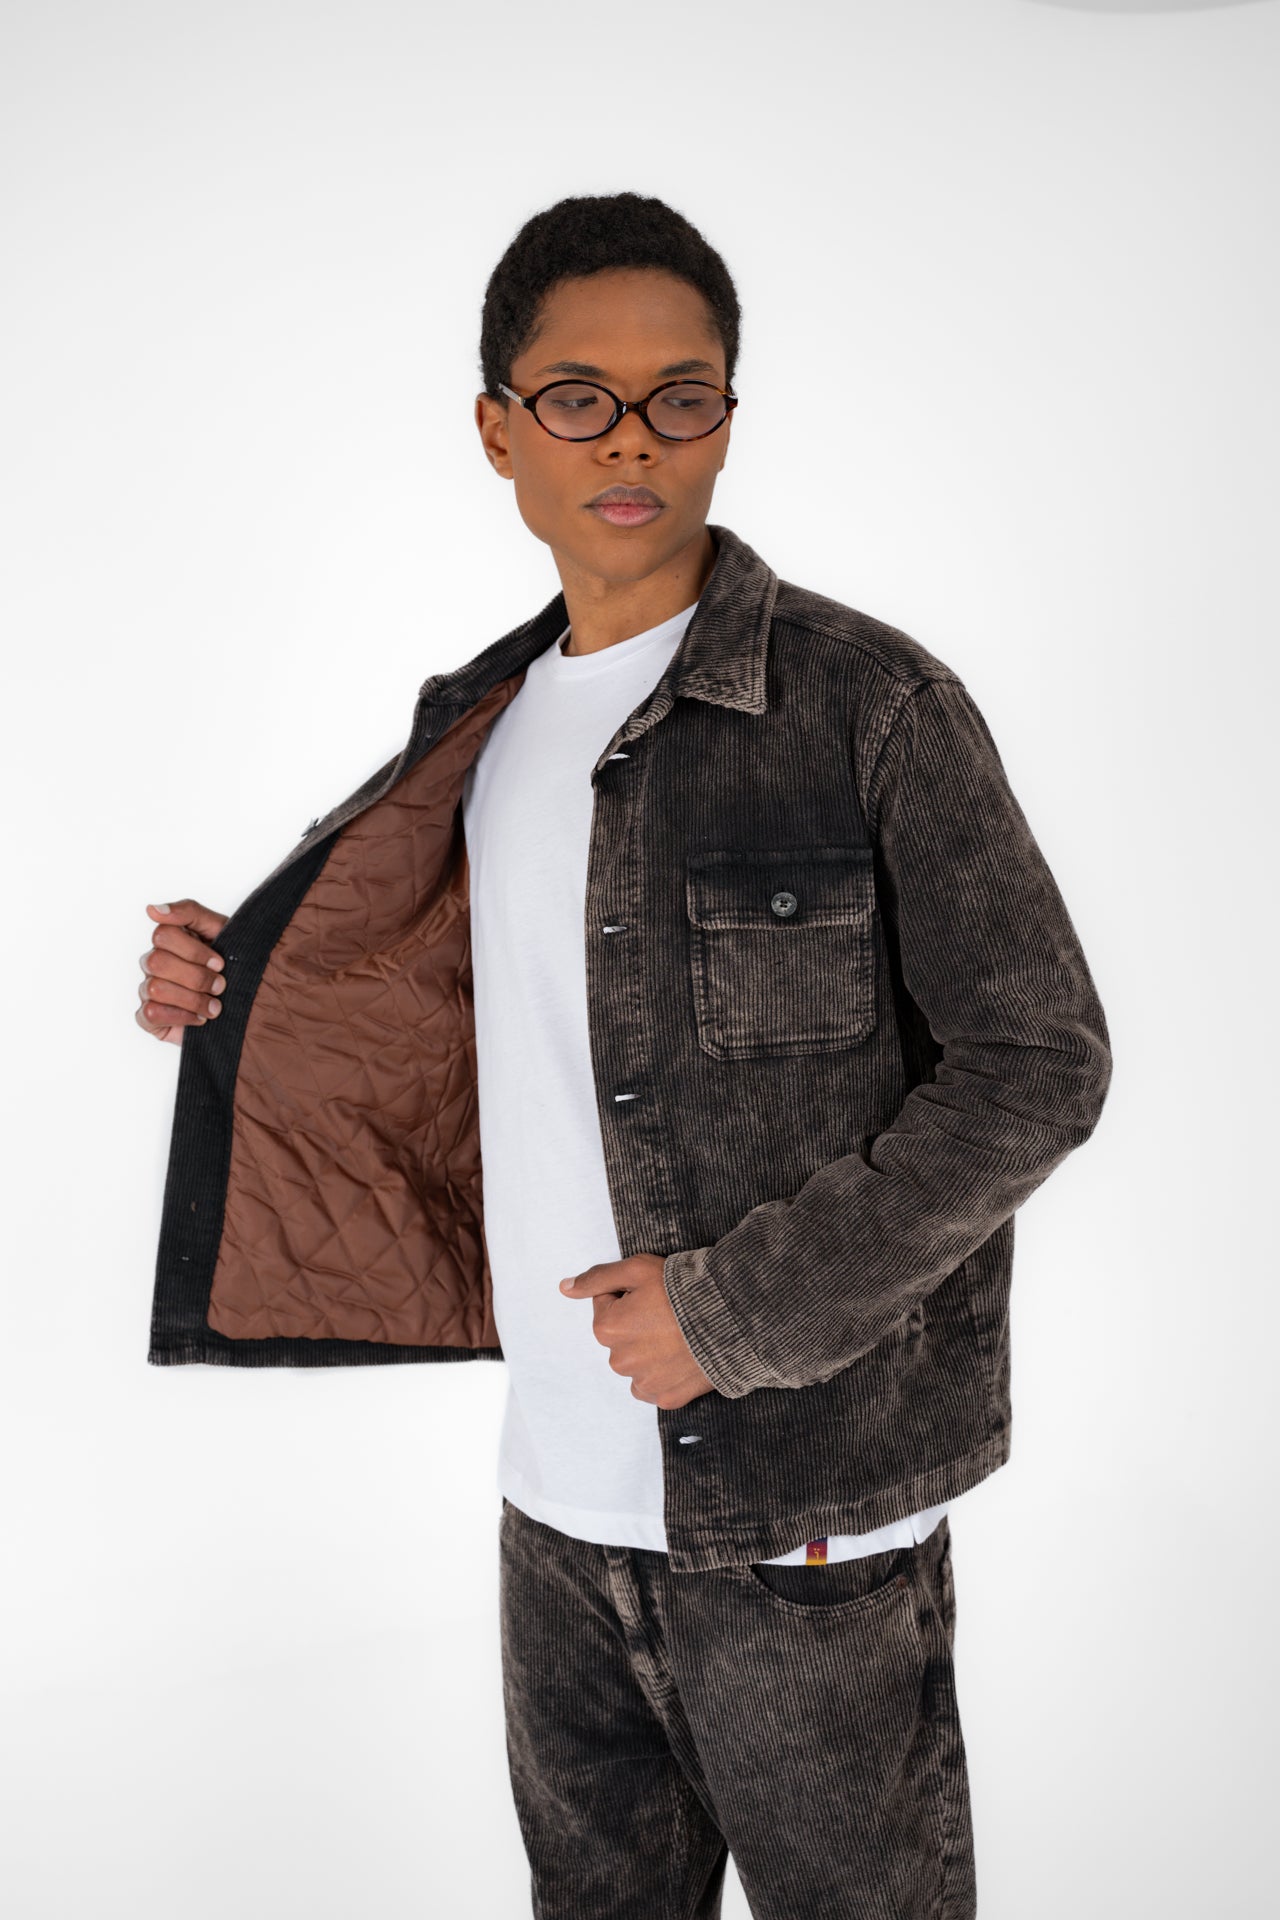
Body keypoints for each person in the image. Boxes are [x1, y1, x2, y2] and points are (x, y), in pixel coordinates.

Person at [137, 191, 1113, 1918]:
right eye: (579, 396)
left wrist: (736, 1313)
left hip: (804, 1524)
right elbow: (458, 1022)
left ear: (729, 416)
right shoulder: (483, 725)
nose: (633, 437)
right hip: (556, 1513)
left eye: (683, 394)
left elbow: (1040, 1062)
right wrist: (237, 978)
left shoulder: (871, 705)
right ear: (498, 428)